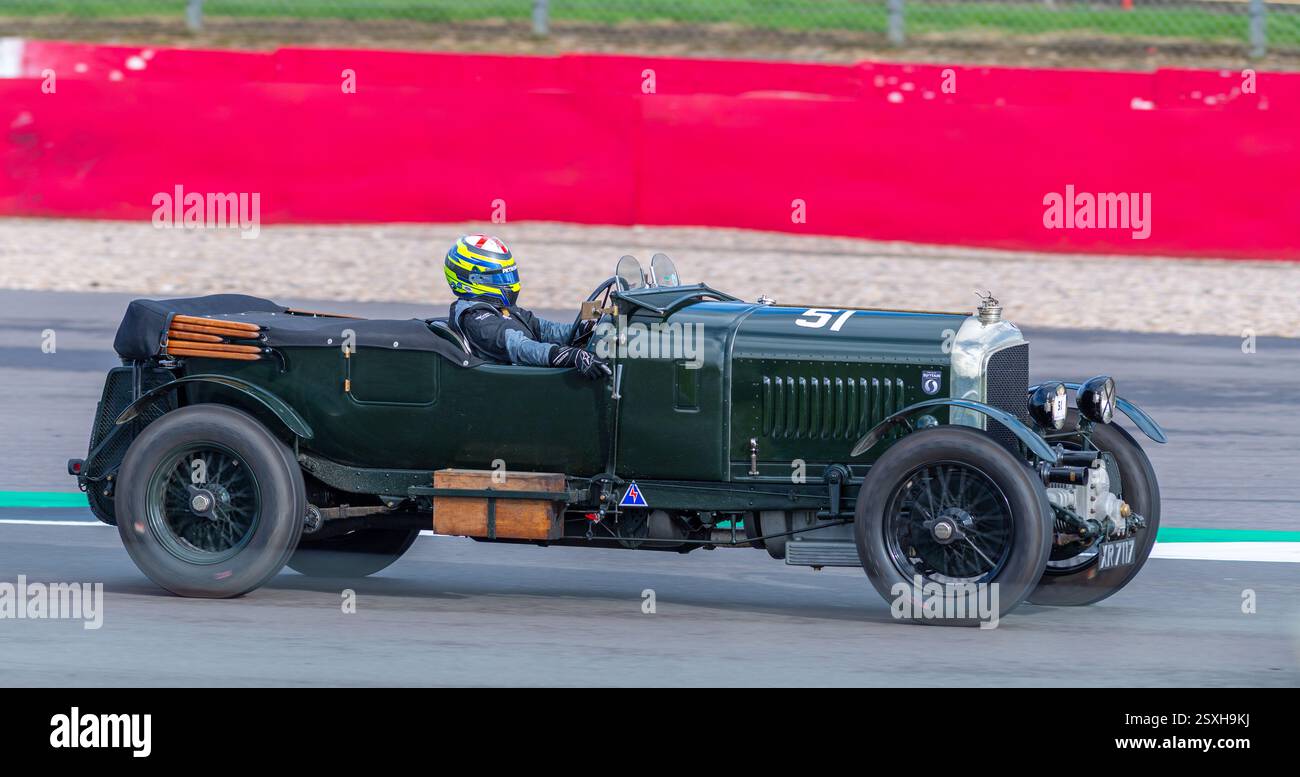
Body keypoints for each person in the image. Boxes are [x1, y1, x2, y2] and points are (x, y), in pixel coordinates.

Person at [444, 234, 611, 380]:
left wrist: (587, 329)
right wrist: (567, 355)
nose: (508, 283)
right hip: (507, 389)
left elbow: (543, 329)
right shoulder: (476, 319)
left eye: (509, 274)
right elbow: (520, 347)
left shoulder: (502, 308)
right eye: (498, 278)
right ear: (475, 279)